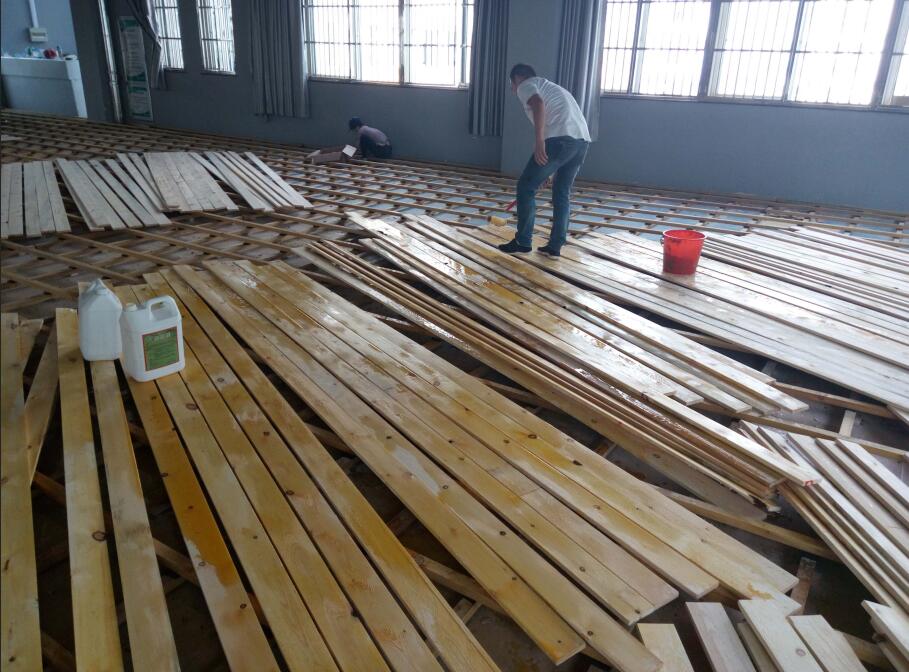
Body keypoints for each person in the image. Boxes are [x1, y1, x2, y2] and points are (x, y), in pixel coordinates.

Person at [498, 64, 590, 257]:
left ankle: (523, 242)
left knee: (526, 187)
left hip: (559, 140)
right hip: (581, 143)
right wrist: (548, 171)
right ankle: (555, 246)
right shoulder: (553, 87)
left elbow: (538, 103)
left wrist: (539, 141)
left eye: (511, 84)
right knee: (561, 192)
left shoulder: (526, 85)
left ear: (517, 78)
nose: (512, 89)